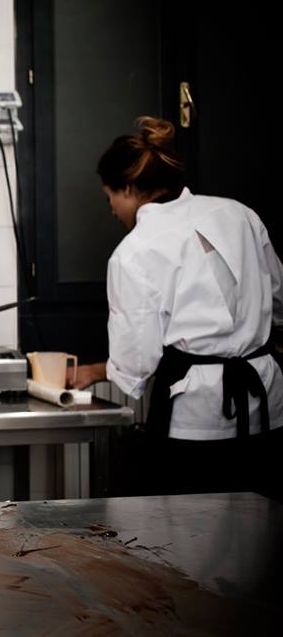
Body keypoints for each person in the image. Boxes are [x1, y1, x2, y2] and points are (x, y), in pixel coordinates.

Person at [71, 116, 283, 498]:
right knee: (265, 522)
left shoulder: (134, 251)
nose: (112, 210)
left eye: (110, 197)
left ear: (128, 188)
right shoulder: (240, 214)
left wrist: (94, 371)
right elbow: (278, 300)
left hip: (196, 420)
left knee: (191, 527)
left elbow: (136, 365)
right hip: (268, 402)